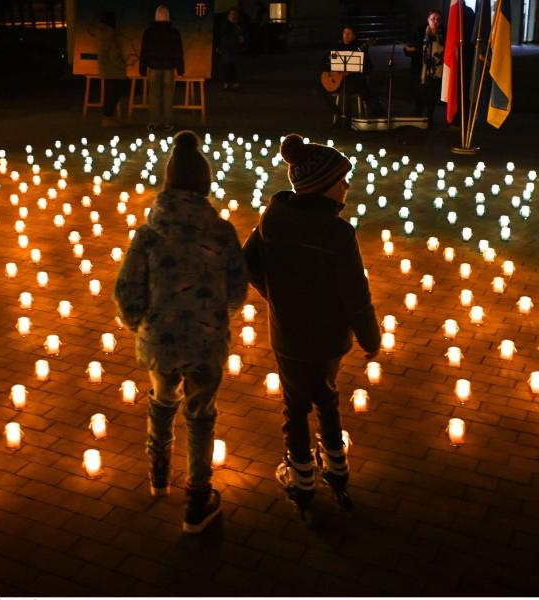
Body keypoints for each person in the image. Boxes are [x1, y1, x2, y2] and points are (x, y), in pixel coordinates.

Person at [113, 130, 248, 534]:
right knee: (201, 415)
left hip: (162, 343)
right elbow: (238, 288)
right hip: (207, 343)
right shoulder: (222, 233)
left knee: (162, 401)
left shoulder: (150, 234)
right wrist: (219, 312)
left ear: (168, 183)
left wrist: (142, 325)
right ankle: (197, 498)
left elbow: (126, 290)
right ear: (205, 184)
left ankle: (158, 476)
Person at [243, 134, 381, 523]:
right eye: (342, 180)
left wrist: (275, 296)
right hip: (329, 339)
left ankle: (301, 476)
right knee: (326, 395)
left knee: (295, 405)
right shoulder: (338, 234)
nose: (348, 187)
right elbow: (356, 293)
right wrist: (370, 337)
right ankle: (336, 469)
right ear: (322, 188)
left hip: (288, 336)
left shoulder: (272, 221)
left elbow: (247, 262)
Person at [139, 5, 184, 133]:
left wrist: (142, 68)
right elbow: (179, 52)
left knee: (154, 95)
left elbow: (144, 52)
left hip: (153, 67)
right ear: (168, 17)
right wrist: (180, 69)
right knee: (168, 95)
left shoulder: (149, 32)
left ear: (156, 17)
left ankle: (154, 122)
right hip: (169, 68)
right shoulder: (174, 32)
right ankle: (167, 123)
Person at [404, 10, 446, 125]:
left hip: (436, 70)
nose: (435, 21)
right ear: (428, 19)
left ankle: (429, 118)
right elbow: (408, 49)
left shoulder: (444, 33)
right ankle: (418, 118)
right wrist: (413, 49)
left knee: (433, 95)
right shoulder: (420, 31)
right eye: (433, 18)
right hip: (420, 69)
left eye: (438, 19)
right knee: (418, 94)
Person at [90, 12, 128, 127]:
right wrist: (125, 66)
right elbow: (115, 57)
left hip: (106, 70)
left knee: (109, 94)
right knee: (115, 94)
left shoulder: (101, 35)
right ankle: (108, 118)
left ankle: (108, 118)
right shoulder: (111, 38)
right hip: (114, 71)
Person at [218, 9, 245, 90]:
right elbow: (223, 37)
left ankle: (234, 83)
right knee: (227, 66)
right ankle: (226, 83)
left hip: (235, 49)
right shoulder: (225, 25)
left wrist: (241, 39)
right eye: (232, 14)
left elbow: (242, 33)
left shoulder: (237, 24)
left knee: (234, 66)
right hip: (227, 49)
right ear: (228, 15)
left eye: (235, 14)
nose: (233, 16)